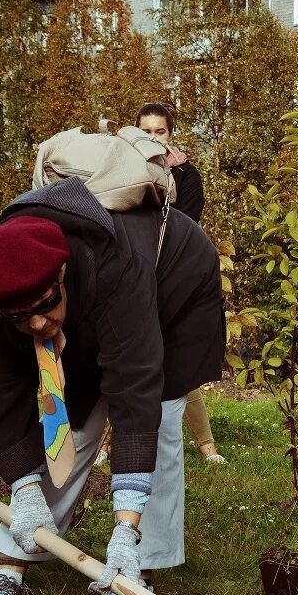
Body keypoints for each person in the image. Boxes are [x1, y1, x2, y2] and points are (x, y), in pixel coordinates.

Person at [0, 169, 225, 595]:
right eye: (21, 317)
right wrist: (24, 489)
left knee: (156, 417)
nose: (37, 324)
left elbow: (134, 392)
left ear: (61, 273)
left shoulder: (115, 267)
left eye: (44, 306)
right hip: (91, 298)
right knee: (68, 419)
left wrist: (125, 525)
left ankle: (138, 576)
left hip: (174, 287)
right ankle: (11, 567)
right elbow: (1, 393)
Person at [134, 101, 225, 465]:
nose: (153, 138)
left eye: (160, 131)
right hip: (135, 275)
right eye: (146, 131)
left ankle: (207, 445)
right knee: (128, 360)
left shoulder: (187, 176)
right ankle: (109, 444)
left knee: (176, 362)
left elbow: (183, 227)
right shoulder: (123, 172)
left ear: (171, 135)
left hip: (172, 278)